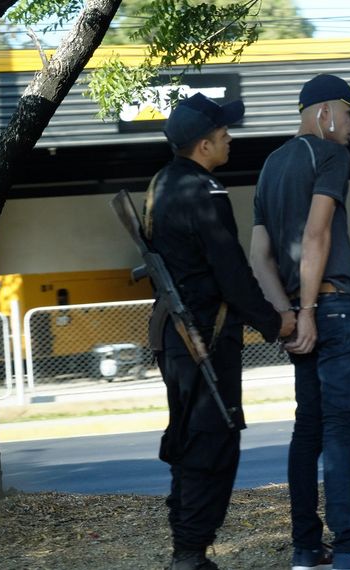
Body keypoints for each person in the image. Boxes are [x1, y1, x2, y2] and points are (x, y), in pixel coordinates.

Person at [250, 74, 350, 570]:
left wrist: (288, 314)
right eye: (349, 114)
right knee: (341, 431)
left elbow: (260, 256)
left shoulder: (271, 166)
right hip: (336, 311)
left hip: (302, 315)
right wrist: (308, 313)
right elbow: (317, 235)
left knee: (308, 432)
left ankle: (306, 549)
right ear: (324, 114)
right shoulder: (330, 156)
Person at [148, 92, 295, 570]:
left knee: (193, 437)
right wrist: (276, 322)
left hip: (177, 334)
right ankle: (190, 552)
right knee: (213, 441)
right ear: (204, 145)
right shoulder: (203, 190)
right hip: (204, 338)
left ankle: (187, 548)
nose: (230, 138)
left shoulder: (162, 185)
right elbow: (231, 272)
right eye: (223, 133)